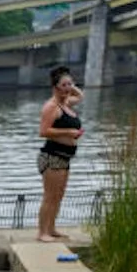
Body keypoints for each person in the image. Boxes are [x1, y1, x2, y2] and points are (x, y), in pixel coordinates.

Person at [35, 66, 84, 242]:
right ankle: (42, 232)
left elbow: (80, 96)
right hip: (52, 156)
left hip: (65, 156)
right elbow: (43, 131)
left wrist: (71, 85)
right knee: (50, 195)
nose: (68, 88)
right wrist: (68, 133)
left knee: (59, 195)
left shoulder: (66, 103)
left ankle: (52, 228)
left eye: (70, 84)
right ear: (55, 87)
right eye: (64, 85)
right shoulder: (51, 107)